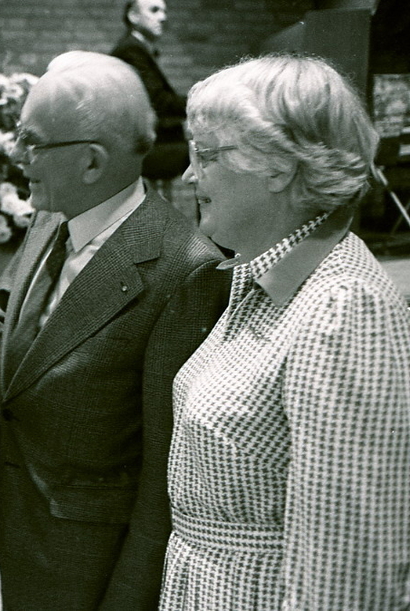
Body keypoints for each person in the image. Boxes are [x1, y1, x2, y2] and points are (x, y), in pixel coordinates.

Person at [0, 51, 228, 610]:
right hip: (22, 527)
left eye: (31, 141)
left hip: (91, 562)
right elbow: (7, 314)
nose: (16, 154)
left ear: (90, 162)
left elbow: (164, 478)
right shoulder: (50, 215)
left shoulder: (184, 269)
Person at [160, 54, 410, 610]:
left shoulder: (346, 308)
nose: (189, 175)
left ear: (276, 165)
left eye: (206, 154)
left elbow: (351, 574)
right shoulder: (262, 273)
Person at [111, 0, 189, 204]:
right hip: (139, 150)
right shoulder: (131, 50)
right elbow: (160, 103)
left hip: (145, 144)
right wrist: (200, 101)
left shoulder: (136, 48)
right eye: (154, 10)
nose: (163, 17)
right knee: (202, 155)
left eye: (164, 11)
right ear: (133, 16)